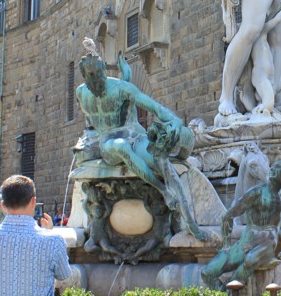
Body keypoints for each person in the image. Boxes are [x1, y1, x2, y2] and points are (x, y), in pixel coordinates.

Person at [76, 52, 204, 240]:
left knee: (160, 158)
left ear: (104, 70)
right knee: (121, 147)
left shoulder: (121, 88)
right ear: (84, 76)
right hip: (109, 143)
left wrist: (175, 122)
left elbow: (156, 108)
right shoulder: (81, 93)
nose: (96, 78)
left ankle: (191, 224)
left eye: (98, 73)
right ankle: (163, 190)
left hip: (135, 137)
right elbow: (95, 123)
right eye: (91, 75)